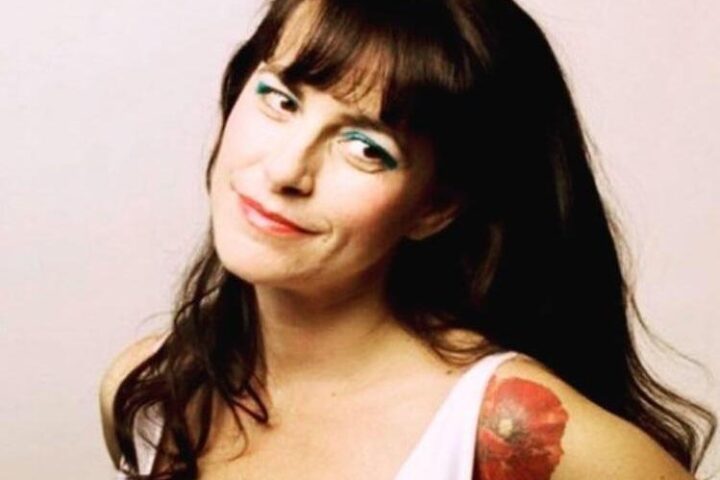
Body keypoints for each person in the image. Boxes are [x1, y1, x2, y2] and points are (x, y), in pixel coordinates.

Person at [100, 0, 717, 478]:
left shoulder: (510, 427)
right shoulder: (150, 390)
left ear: (436, 206)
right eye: (280, 100)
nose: (286, 170)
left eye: (366, 147)